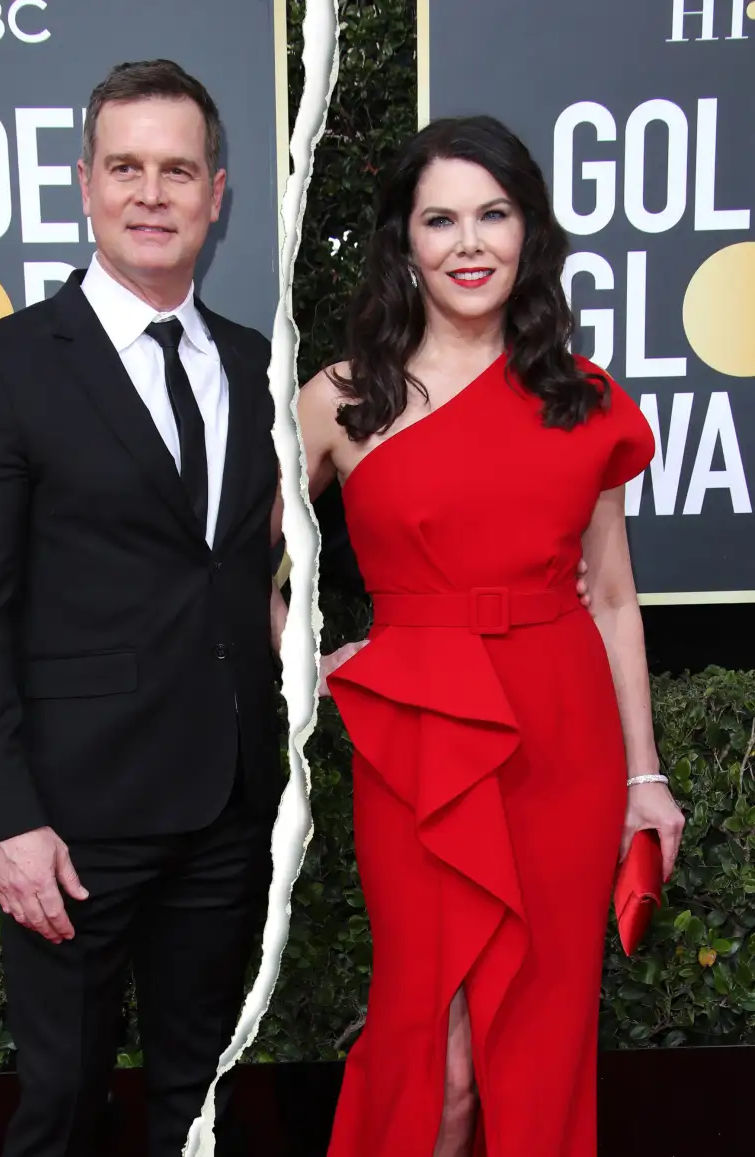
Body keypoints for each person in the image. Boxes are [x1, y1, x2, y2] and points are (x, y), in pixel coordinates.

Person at [293, 116, 685, 1157]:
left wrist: (645, 777)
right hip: (420, 740)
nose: (469, 243)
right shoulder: (341, 399)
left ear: (527, 234)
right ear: (404, 244)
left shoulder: (582, 396)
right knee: (441, 1047)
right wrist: (314, 659)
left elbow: (610, 597)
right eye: (441, 220)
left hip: (563, 736)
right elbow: (245, 563)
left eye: (493, 215)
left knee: (543, 1033)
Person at [0, 60, 287, 1157]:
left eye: (178, 169)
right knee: (64, 1107)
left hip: (225, 810)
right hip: (71, 826)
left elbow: (257, 577)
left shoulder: (255, 364)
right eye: (125, 166)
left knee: (201, 1103)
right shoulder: (2, 367)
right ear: (84, 183)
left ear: (218, 194)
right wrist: (6, 821)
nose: (151, 192)